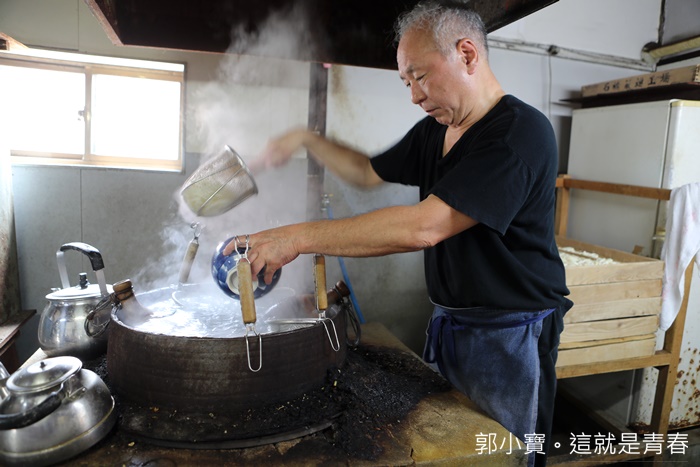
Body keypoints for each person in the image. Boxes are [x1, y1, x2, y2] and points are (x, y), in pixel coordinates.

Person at [224, 1, 572, 465]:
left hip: (511, 335)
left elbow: (426, 227)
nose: (414, 95)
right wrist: (306, 139)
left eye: (419, 76)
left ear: (467, 54)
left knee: (504, 454)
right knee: (455, 451)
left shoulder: (518, 133)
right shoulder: (435, 132)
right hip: (453, 322)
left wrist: (295, 238)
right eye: (406, 82)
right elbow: (366, 172)